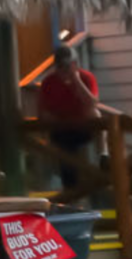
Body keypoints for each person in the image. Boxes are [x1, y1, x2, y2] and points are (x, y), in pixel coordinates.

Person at [36, 40, 103, 176]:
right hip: (61, 129)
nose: (63, 70)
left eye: (67, 66)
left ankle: (103, 155)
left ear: (75, 65)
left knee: (96, 114)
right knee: (68, 167)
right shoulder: (48, 82)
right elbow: (42, 112)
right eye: (60, 66)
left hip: (84, 129)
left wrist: (77, 81)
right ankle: (70, 185)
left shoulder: (86, 78)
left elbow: (92, 104)